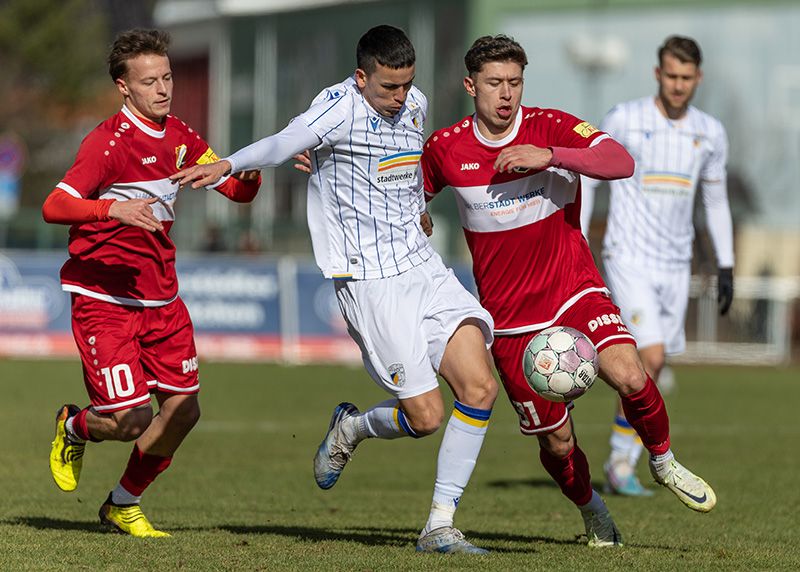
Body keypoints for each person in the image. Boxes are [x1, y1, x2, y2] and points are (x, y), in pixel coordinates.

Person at [171, 25, 499, 554]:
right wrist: (229, 163)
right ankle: (352, 428)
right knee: (427, 417)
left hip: (422, 266)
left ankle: (439, 526)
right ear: (361, 76)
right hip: (369, 281)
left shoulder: (412, 102)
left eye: (406, 84)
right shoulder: (337, 107)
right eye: (388, 87)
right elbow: (284, 142)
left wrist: (416, 206)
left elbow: (404, 163)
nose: (400, 97)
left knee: (481, 387)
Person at [420, 35, 717, 548]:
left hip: (572, 289)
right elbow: (407, 191)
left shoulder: (551, 126)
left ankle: (664, 463)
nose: (506, 93)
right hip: (511, 321)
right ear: (471, 86)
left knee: (630, 371)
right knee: (558, 444)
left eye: (515, 81)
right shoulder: (447, 147)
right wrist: (414, 212)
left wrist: (551, 155)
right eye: (494, 83)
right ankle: (594, 512)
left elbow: (620, 161)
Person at [44, 28, 261, 537]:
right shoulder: (106, 143)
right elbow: (54, 205)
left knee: (184, 410)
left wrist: (249, 174)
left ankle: (123, 503)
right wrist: (111, 208)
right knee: (130, 420)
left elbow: (234, 188)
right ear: (124, 87)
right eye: (149, 81)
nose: (163, 89)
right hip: (105, 299)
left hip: (162, 297)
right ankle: (74, 425)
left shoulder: (182, 137)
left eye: (167, 77)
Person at [580, 36, 734, 497]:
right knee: (648, 358)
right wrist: (580, 236)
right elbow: (589, 174)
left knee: (656, 360)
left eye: (687, 78)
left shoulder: (710, 132)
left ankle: (618, 460)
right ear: (657, 74)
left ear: (698, 78)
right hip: (627, 256)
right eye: (671, 76)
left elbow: (715, 199)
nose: (678, 85)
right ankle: (621, 463)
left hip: (675, 262)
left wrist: (726, 263)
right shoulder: (625, 118)